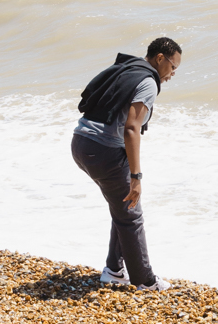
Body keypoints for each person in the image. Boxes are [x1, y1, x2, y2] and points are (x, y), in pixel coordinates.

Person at [72, 36, 183, 291]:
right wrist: (136, 177)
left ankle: (114, 269)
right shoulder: (148, 82)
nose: (173, 73)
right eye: (173, 66)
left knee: (122, 205)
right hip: (102, 150)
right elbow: (132, 128)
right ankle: (143, 279)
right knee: (132, 214)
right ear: (159, 59)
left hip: (81, 142)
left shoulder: (128, 69)